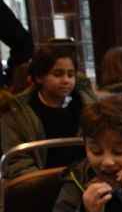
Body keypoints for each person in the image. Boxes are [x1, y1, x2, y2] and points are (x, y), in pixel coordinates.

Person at [1, 44, 97, 179]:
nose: (66, 80)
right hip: (41, 185)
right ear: (39, 77)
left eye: (71, 74)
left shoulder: (88, 104)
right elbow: (17, 161)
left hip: (86, 179)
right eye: (58, 74)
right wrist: (44, 182)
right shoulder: (17, 111)